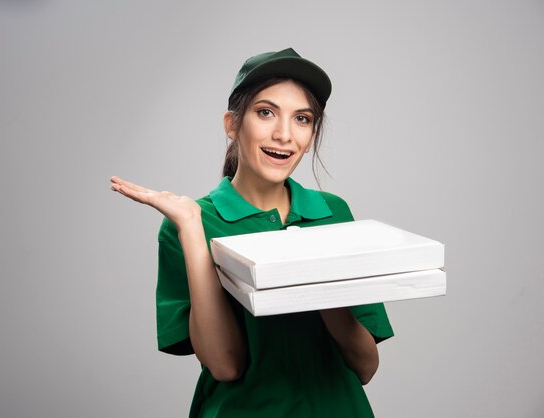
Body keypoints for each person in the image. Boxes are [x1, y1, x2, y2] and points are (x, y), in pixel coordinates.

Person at [110, 48, 393, 417]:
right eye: (265, 113)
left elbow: (366, 366)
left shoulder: (333, 214)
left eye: (302, 119)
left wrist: (320, 279)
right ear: (232, 124)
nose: (284, 135)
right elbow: (226, 364)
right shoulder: (192, 221)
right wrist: (192, 229)